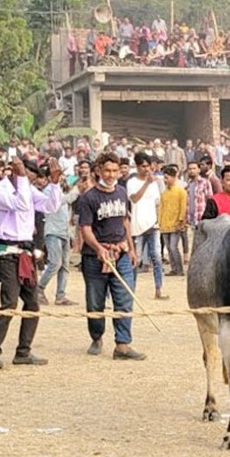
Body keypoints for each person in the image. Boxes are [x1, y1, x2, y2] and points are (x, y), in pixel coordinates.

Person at [0, 157, 64, 369]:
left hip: (26, 253)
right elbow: (21, 204)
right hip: (8, 252)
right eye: (27, 173)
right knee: (10, 303)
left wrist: (55, 184)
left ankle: (23, 352)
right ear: (15, 171)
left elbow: (50, 206)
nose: (31, 178)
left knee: (32, 303)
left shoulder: (28, 189)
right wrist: (21, 178)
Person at [75, 153, 146, 360]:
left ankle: (122, 345)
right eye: (107, 170)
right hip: (95, 258)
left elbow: (125, 222)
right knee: (95, 302)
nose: (111, 175)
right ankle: (97, 337)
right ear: (98, 170)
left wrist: (131, 249)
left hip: (121, 254)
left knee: (124, 299)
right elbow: (85, 229)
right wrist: (98, 249)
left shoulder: (122, 193)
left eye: (115, 171)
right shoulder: (89, 198)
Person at [127, 153, 168, 300]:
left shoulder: (155, 183)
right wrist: (146, 183)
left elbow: (158, 202)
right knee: (136, 260)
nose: (146, 169)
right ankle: (131, 291)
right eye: (143, 166)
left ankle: (159, 289)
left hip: (153, 224)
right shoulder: (132, 182)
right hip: (138, 224)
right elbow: (134, 199)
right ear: (137, 166)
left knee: (156, 257)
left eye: (148, 166)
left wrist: (159, 219)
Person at [38, 170, 80, 306]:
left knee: (64, 266)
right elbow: (59, 202)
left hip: (64, 232)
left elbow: (67, 212)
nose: (62, 178)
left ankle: (60, 295)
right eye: (59, 175)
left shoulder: (62, 190)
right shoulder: (48, 190)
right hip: (53, 232)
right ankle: (38, 289)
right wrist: (76, 191)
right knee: (55, 263)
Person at [158, 165, 187, 276]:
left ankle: (179, 269)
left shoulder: (181, 192)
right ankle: (174, 269)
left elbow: (183, 208)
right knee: (169, 249)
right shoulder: (164, 193)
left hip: (176, 225)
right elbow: (161, 208)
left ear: (174, 177)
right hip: (165, 224)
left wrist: (180, 221)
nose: (165, 180)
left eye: (167, 178)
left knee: (173, 247)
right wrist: (159, 221)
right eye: (164, 178)